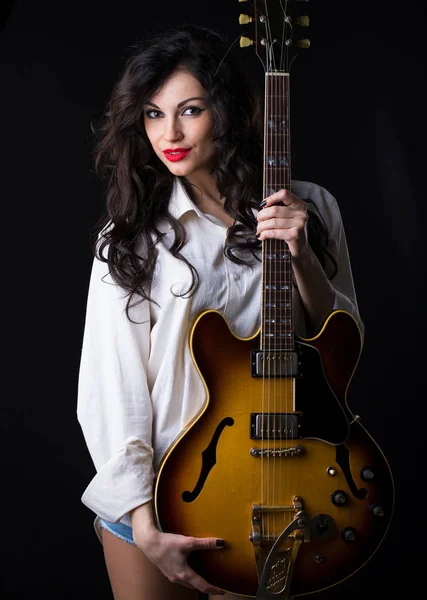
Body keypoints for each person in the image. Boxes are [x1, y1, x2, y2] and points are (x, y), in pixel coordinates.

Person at [77, 23, 364, 600]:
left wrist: (301, 254)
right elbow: (114, 389)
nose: (170, 133)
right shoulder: (134, 238)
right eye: (154, 115)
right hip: (161, 497)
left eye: (190, 110)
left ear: (227, 111)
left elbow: (338, 346)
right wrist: (142, 522)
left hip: (285, 483)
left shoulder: (311, 207)